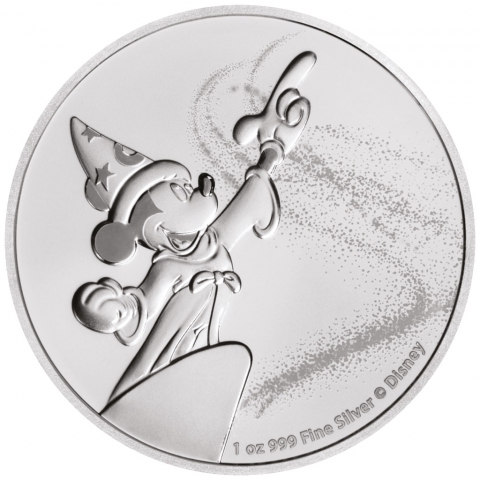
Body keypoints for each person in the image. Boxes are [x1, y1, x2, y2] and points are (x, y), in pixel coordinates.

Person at [72, 51, 316, 405]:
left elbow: (247, 203)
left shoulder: (213, 240)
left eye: (187, 187)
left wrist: (271, 153)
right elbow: (144, 303)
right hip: (180, 352)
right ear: (153, 229)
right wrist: (118, 308)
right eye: (181, 192)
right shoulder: (168, 268)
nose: (202, 187)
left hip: (212, 343)